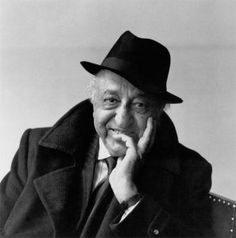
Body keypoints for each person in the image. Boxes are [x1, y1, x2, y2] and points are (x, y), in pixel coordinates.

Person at [0, 31, 213, 238]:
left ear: (158, 113)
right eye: (111, 100)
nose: (121, 120)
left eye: (139, 105)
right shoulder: (35, 148)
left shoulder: (191, 173)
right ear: (94, 103)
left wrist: (131, 198)